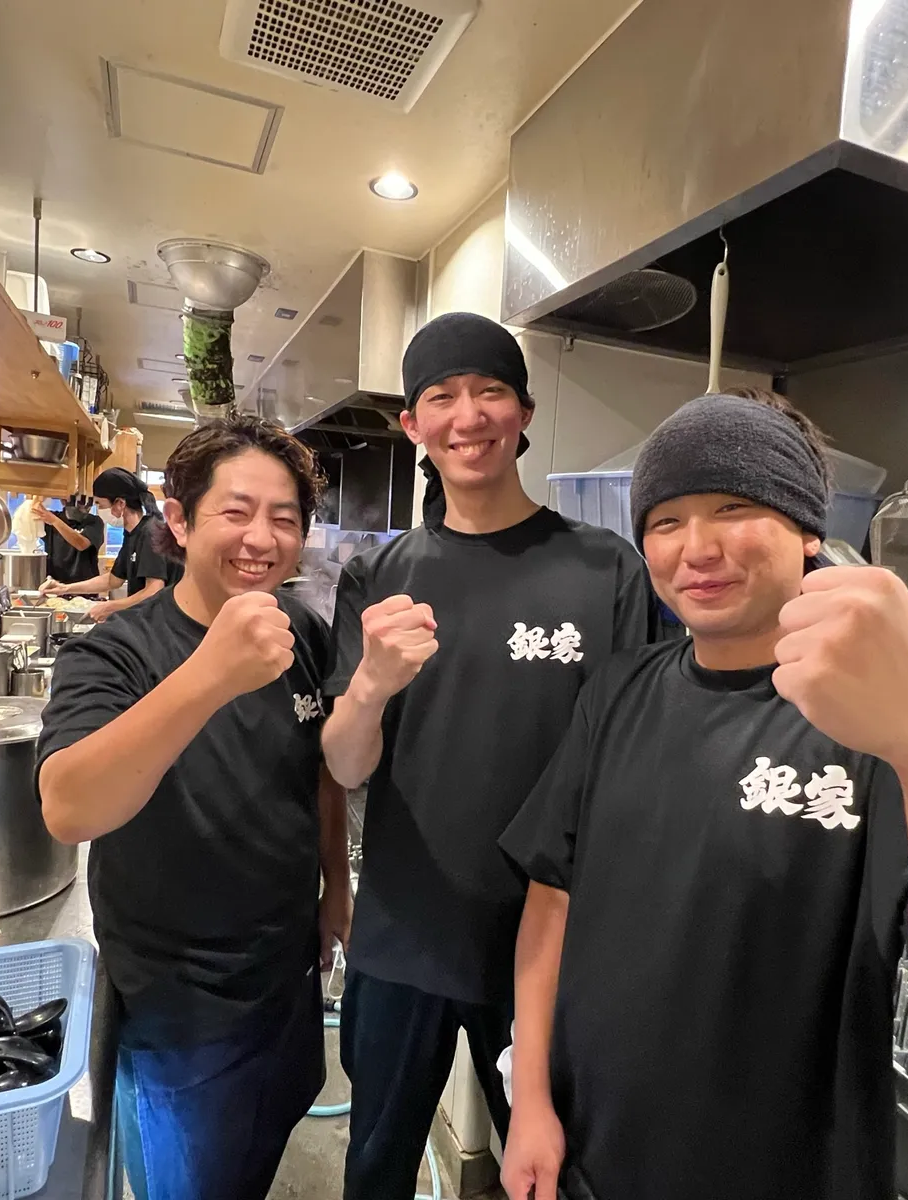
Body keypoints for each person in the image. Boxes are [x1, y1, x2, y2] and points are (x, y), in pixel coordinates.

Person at [498, 390, 908, 1200]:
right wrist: (530, 1101)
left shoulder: (874, 721)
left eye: (734, 507)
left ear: (808, 527)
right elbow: (550, 899)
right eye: (664, 522)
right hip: (593, 1159)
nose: (695, 547)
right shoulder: (617, 692)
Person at [321, 312, 662, 1200]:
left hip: (549, 945)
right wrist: (369, 688)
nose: (467, 415)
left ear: (524, 412)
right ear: (414, 426)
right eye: (442, 396)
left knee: (549, 1173)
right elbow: (346, 764)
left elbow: (628, 759)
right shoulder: (379, 577)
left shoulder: (604, 570)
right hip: (404, 935)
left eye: (490, 391)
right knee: (376, 1164)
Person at [36, 413, 349, 1200]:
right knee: (192, 1179)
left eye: (284, 519)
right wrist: (212, 672)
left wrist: (335, 887)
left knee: (263, 1143)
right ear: (178, 520)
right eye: (235, 512)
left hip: (284, 967)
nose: (261, 538)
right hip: (176, 996)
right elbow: (69, 807)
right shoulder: (116, 651)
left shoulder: (299, 630)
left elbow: (320, 771)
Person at [42, 467, 182, 621]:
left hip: (164, 624)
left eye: (100, 505)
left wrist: (111, 607)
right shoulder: (131, 534)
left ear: (120, 503)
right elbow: (112, 580)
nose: (99, 510)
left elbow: (153, 590)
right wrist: (64, 589)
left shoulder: (150, 532)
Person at [31, 494, 105, 585]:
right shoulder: (51, 518)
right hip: (55, 585)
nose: (82, 507)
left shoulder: (95, 522)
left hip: (84, 588)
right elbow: (31, 512)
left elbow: (81, 544)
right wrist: (40, 496)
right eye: (77, 501)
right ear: (63, 501)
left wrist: (54, 521)